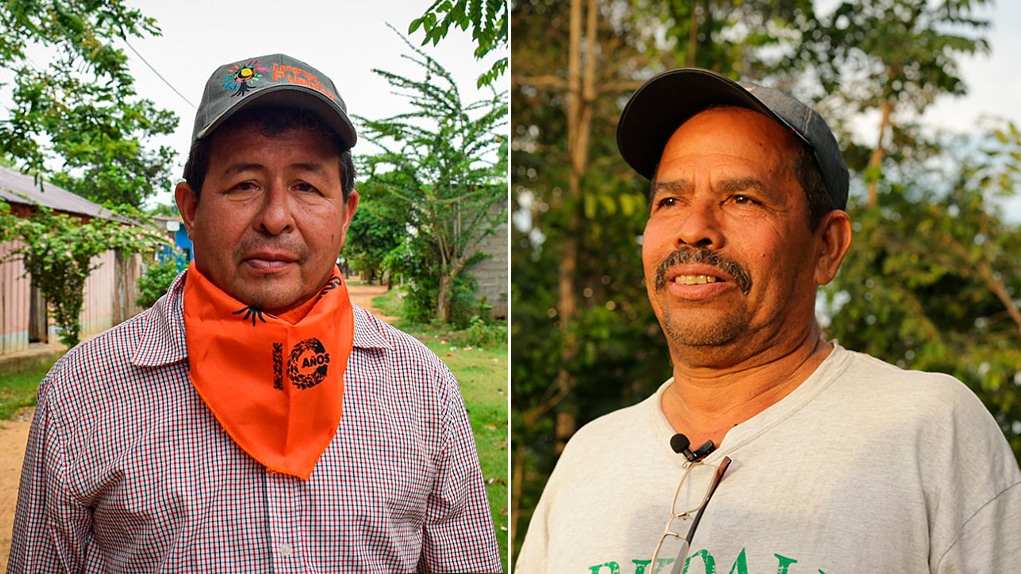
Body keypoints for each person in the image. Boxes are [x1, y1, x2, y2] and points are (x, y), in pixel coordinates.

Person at [9, 53, 502, 573]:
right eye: (244, 184)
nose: (275, 217)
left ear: (345, 214)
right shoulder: (83, 391)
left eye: (306, 187)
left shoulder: (422, 387)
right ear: (191, 208)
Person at [515, 68, 1021, 573]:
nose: (694, 228)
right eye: (671, 200)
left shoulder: (929, 430)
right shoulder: (590, 456)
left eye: (742, 199)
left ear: (827, 247)